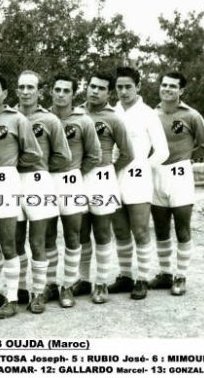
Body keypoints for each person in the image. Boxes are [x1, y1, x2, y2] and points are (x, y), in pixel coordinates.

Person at [0, 73, 42, 319]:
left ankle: (13, 298)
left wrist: (11, 164)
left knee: (8, 242)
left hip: (6, 181)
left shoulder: (17, 119)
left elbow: (33, 153)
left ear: (5, 94)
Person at [150, 71, 204, 295]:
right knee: (160, 227)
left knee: (182, 227)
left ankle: (181, 276)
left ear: (181, 90)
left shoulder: (191, 115)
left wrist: (187, 156)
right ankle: (165, 273)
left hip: (180, 176)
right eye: (164, 85)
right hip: (156, 174)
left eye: (172, 86)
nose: (167, 89)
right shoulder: (151, 114)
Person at [110, 66, 169, 300]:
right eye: (119, 87)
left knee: (141, 229)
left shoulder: (148, 113)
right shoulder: (111, 112)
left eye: (128, 87)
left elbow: (162, 151)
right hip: (113, 177)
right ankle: (125, 276)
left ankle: (142, 278)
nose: (124, 91)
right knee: (120, 230)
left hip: (137, 178)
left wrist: (143, 167)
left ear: (138, 87)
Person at [15, 71, 71, 314]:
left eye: (30, 87)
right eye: (22, 87)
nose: (25, 92)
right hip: (12, 182)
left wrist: (42, 168)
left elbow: (63, 156)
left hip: (39, 182)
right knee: (14, 240)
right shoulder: (9, 116)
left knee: (38, 241)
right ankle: (19, 289)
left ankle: (39, 292)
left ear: (39, 91)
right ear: (16, 90)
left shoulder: (49, 120)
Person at [46, 74, 101, 307]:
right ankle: (49, 284)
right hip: (46, 181)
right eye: (57, 90)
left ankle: (68, 285)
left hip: (71, 181)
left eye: (66, 91)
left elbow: (94, 155)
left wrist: (75, 172)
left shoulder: (83, 120)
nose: (61, 95)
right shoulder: (43, 117)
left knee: (72, 234)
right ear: (51, 91)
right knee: (47, 235)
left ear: (73, 94)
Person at [79, 72, 134, 304]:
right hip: (78, 177)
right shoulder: (76, 113)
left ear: (109, 93)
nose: (95, 91)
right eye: (92, 86)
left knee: (102, 231)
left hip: (102, 178)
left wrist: (109, 169)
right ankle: (83, 280)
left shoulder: (114, 118)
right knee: (80, 231)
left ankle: (101, 282)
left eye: (101, 88)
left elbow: (128, 153)